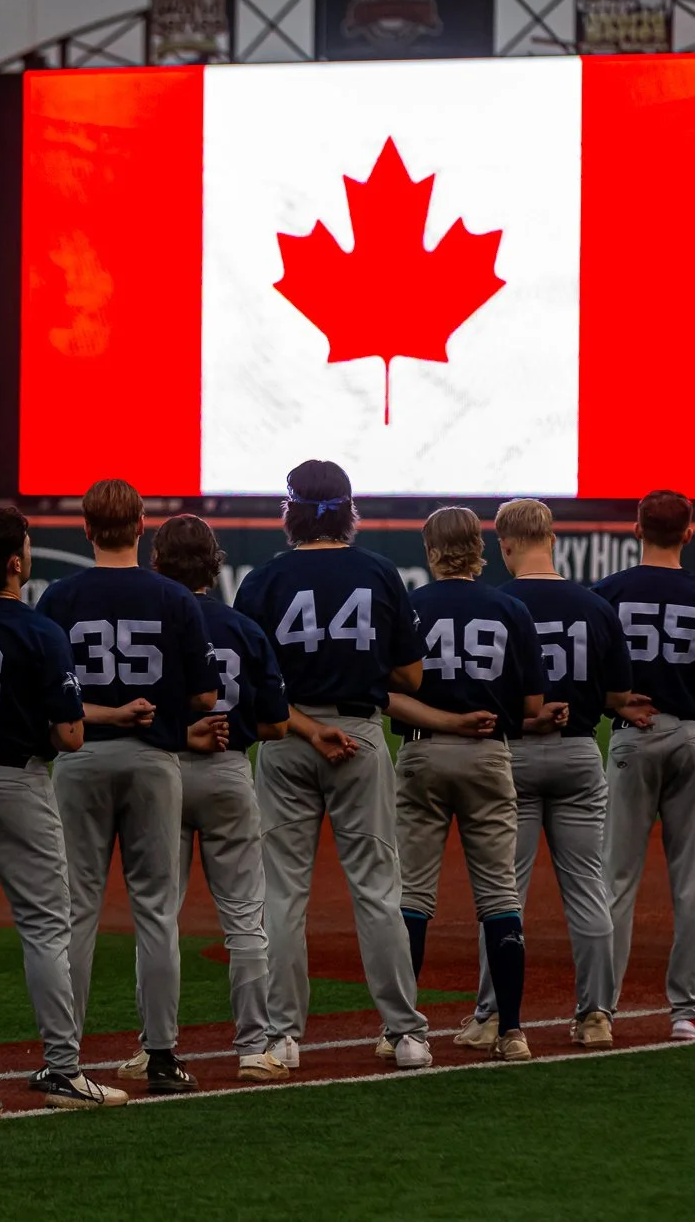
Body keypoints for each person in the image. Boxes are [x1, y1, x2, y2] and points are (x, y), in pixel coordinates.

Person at [233, 460, 432, 1071]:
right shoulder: (379, 572)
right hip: (357, 734)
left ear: (288, 512)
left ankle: (283, 1037)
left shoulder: (263, 580)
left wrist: (305, 726)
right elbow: (411, 676)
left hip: (289, 738)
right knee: (377, 889)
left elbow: (249, 684)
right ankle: (405, 1034)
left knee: (282, 893)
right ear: (349, 510)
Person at [36, 480, 219, 1095]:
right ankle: (162, 1054)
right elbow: (205, 696)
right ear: (142, 526)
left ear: (85, 528)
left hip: (81, 759)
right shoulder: (173, 597)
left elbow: (42, 695)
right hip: (153, 760)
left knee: (75, 911)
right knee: (156, 912)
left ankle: (65, 1059)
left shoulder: (60, 596)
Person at [0, 508, 125, 1111]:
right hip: (19, 784)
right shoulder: (41, 629)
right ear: (15, 564)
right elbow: (70, 736)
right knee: (48, 927)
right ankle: (63, 1068)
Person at [457, 498, 637, 1053]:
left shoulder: (497, 602)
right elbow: (617, 695)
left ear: (504, 546)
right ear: (552, 538)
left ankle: (491, 1016)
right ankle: (596, 1017)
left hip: (510, 753)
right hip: (579, 752)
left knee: (502, 892)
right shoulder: (594, 604)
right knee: (588, 889)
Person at [120, 514, 290, 1083]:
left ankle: (155, 1046)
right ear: (214, 563)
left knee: (158, 916)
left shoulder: (152, 623)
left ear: (157, 561)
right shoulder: (243, 627)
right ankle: (253, 1047)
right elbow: (276, 725)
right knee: (245, 916)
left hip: (161, 770)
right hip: (226, 773)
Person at [384, 506, 547, 1063]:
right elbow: (531, 706)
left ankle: (401, 1033)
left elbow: (387, 693)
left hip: (423, 753)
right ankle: (513, 1032)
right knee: (500, 895)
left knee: (413, 897)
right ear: (480, 548)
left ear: (432, 550)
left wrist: (440, 716)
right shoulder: (511, 609)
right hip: (488, 755)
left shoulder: (409, 606)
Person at [593, 490, 695, 1041]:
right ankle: (686, 1013)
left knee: (615, 880)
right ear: (688, 532)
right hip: (690, 737)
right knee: (690, 885)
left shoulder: (607, 593)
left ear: (636, 528)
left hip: (632, 739)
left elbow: (587, 674)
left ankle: (600, 1012)